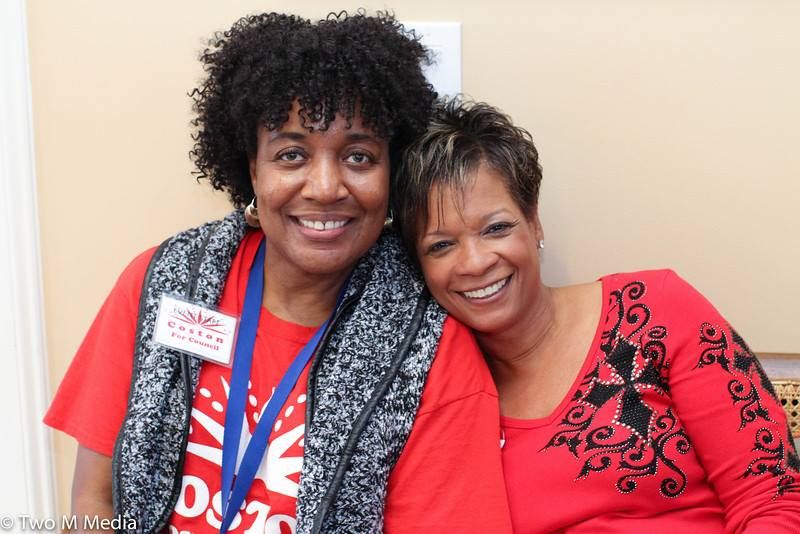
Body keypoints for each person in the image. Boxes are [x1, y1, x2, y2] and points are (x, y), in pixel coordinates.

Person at [45, 15, 513, 534]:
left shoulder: (432, 354)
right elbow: (93, 500)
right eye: (291, 155)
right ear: (253, 169)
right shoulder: (163, 282)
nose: (325, 187)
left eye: (359, 156)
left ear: (391, 173)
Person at [393, 99, 800, 532]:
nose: (475, 262)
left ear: (534, 222)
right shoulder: (432, 395)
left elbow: (775, 499)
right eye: (441, 245)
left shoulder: (653, 312)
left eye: (496, 228)